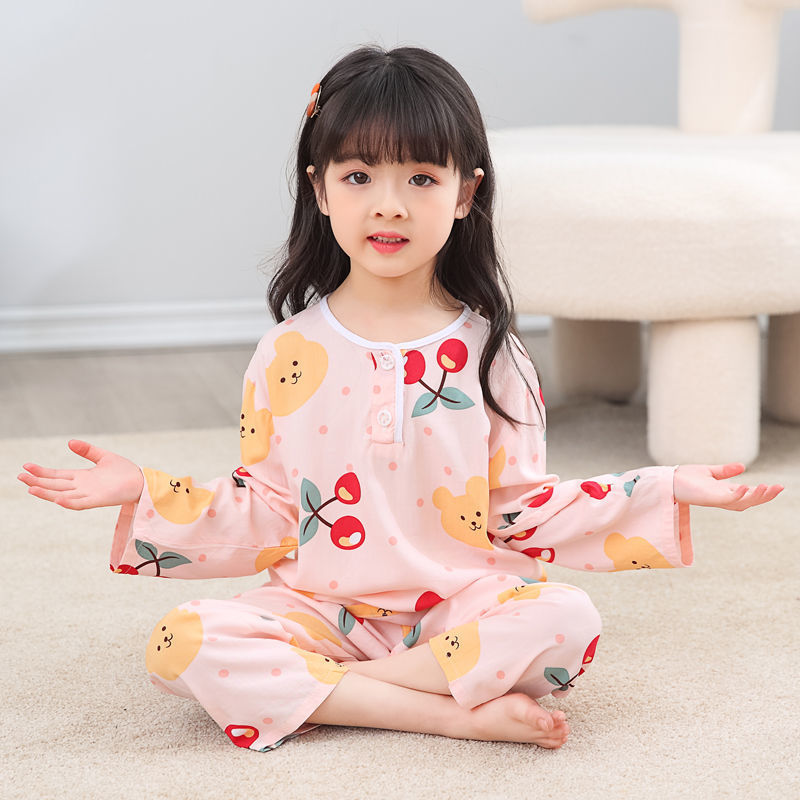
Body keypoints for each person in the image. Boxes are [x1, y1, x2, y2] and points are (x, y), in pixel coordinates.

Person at [18, 45, 783, 753]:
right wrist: (144, 492)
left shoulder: (493, 355)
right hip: (321, 609)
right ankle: (447, 712)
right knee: (179, 643)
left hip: (459, 607)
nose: (389, 205)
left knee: (565, 620)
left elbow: (521, 509)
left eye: (420, 178)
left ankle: (337, 694)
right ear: (319, 190)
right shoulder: (286, 353)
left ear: (465, 194)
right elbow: (271, 507)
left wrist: (664, 488)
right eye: (359, 177)